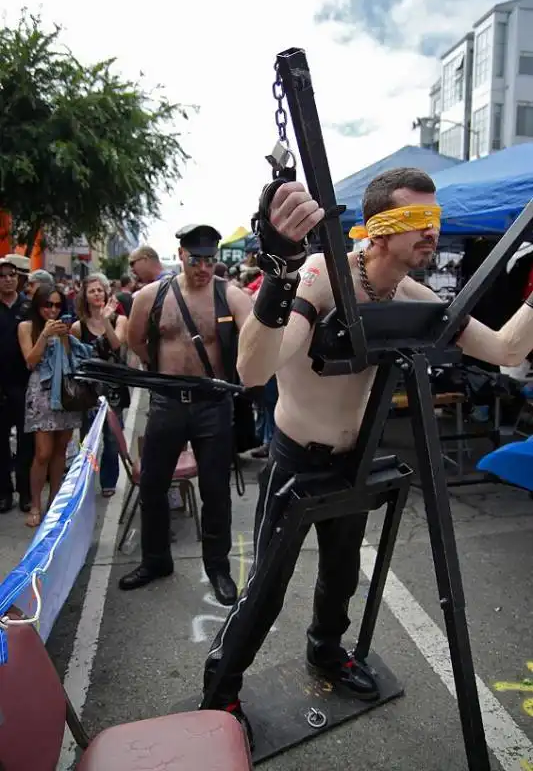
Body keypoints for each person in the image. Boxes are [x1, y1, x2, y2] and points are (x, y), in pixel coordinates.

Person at [202, 168, 533, 742]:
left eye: (435, 221)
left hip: (356, 459)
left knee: (340, 575)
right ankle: (221, 692)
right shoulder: (319, 280)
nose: (432, 234)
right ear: (376, 231)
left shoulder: (413, 296)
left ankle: (326, 652)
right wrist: (278, 276)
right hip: (296, 461)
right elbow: (254, 370)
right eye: (416, 222)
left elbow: (505, 350)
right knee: (267, 587)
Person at [119, 225, 252, 604]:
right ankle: (156, 559)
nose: (204, 268)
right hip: (167, 403)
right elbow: (136, 342)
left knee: (215, 491)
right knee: (153, 485)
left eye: (211, 260)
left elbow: (259, 331)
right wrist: (167, 375)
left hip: (213, 404)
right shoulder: (151, 295)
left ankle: (218, 567)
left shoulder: (230, 295)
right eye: (197, 260)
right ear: (180, 255)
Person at [17, 284, 89, 527]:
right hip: (42, 392)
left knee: (60, 451)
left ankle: (55, 502)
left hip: (66, 393)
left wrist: (64, 337)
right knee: (42, 453)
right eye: (48, 304)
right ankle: (35, 503)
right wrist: (46, 335)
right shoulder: (26, 327)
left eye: (58, 305)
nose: (53, 310)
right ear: (38, 306)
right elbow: (30, 361)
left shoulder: (67, 328)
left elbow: (73, 361)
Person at [71, 273, 128, 497]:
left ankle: (108, 481)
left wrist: (106, 319)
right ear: (85, 296)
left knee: (112, 439)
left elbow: (116, 345)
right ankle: (84, 480)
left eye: (100, 290)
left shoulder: (119, 320)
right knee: (87, 439)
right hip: (89, 390)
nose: (96, 294)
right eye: (92, 290)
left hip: (114, 388)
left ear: (106, 293)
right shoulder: (78, 326)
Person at [0, 257, 34, 514]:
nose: (8, 279)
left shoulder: (29, 306)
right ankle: (4, 493)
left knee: (26, 442)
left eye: (12, 275)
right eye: (2, 276)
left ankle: (25, 493)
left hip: (24, 384)